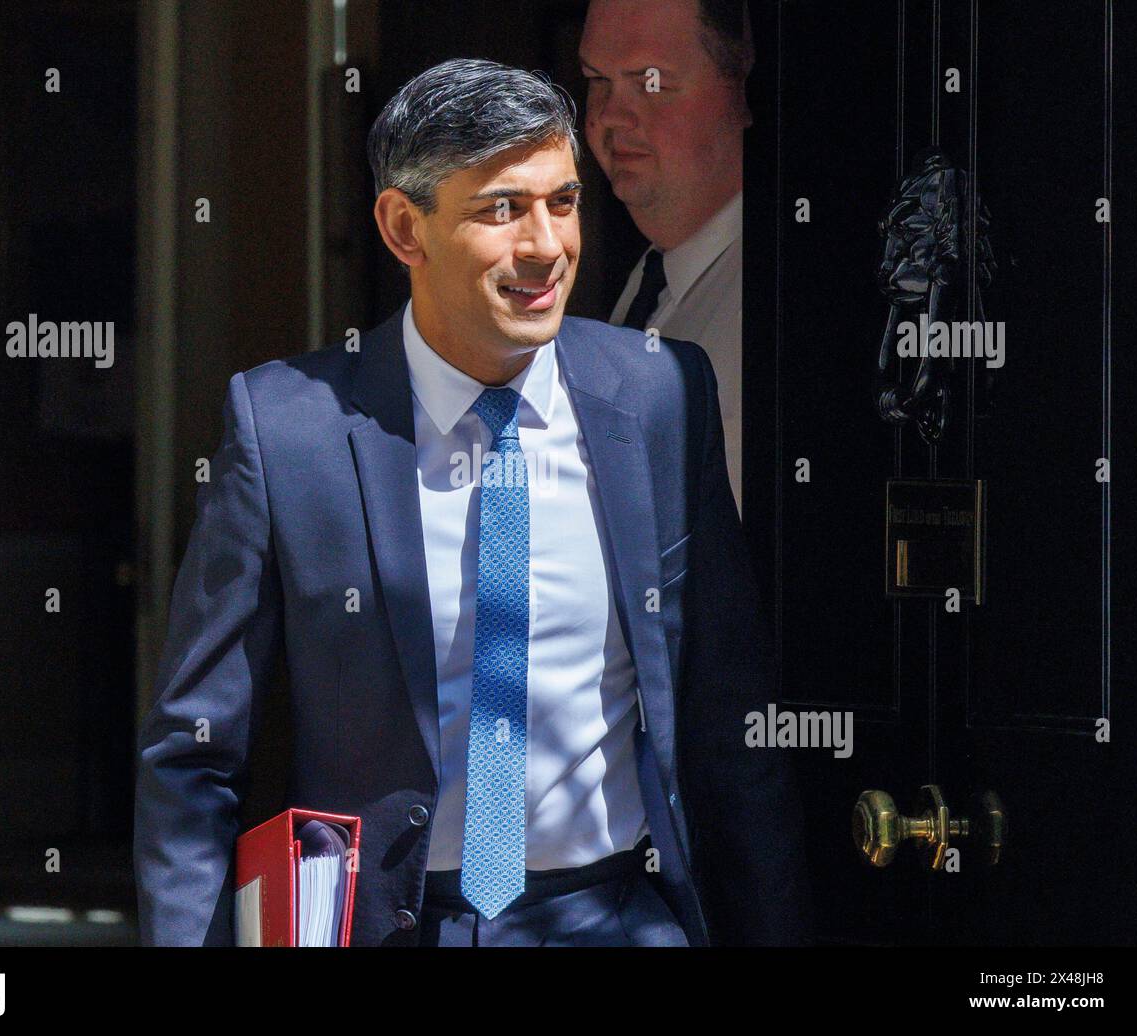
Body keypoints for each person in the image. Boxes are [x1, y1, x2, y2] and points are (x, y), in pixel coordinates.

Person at [133, 57, 810, 947]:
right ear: (403, 228)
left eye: (562, 202)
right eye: (501, 209)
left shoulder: (657, 397)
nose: (545, 247)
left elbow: (727, 722)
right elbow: (195, 751)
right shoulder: (287, 431)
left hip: (610, 917)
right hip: (391, 927)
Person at [581, 0, 753, 517]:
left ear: (741, 93)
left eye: (650, 82)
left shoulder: (774, 297)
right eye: (596, 79)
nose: (609, 115)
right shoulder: (653, 275)